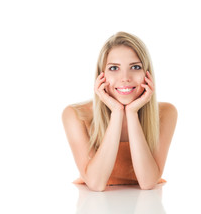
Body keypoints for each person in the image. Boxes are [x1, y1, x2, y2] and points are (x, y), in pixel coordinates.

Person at [62, 32, 178, 192]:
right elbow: (96, 184)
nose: (125, 78)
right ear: (100, 75)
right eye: (114, 68)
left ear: (147, 74)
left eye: (135, 67)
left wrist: (131, 113)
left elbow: (148, 182)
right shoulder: (75, 115)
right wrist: (116, 112)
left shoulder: (166, 112)